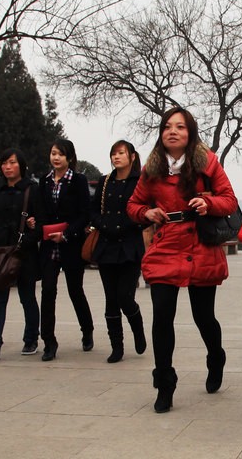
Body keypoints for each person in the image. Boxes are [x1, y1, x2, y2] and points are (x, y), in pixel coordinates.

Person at [127, 107, 238, 413]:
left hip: (201, 245)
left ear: (190, 133)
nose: (172, 131)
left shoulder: (207, 161)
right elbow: (134, 204)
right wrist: (146, 212)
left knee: (204, 316)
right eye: (167, 127)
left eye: (180, 127)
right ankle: (165, 383)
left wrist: (208, 202)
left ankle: (216, 356)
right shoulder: (151, 168)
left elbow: (229, 200)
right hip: (167, 246)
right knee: (162, 316)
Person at [0, 149, 43, 360]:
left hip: (24, 253)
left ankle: (31, 338)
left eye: (12, 162)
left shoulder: (32, 189)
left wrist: (30, 233)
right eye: (4, 163)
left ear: (21, 165)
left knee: (27, 297)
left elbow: (41, 223)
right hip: (1, 252)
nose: (7, 167)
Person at [89, 140, 147, 363]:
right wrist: (103, 224)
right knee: (111, 299)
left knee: (125, 296)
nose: (116, 157)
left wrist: (128, 225)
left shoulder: (140, 182)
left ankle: (138, 329)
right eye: (114, 153)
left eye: (121, 153)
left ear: (132, 156)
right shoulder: (105, 182)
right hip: (106, 246)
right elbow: (93, 210)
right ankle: (117, 346)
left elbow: (147, 212)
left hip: (130, 246)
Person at [36, 139, 94, 361]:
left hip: (71, 244)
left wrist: (67, 233)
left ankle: (87, 329)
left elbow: (84, 214)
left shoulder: (78, 180)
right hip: (49, 244)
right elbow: (40, 210)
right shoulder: (44, 181)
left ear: (69, 157)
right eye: (53, 153)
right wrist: (40, 225)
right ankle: (49, 342)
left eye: (60, 154)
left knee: (75, 290)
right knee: (48, 290)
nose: (56, 157)